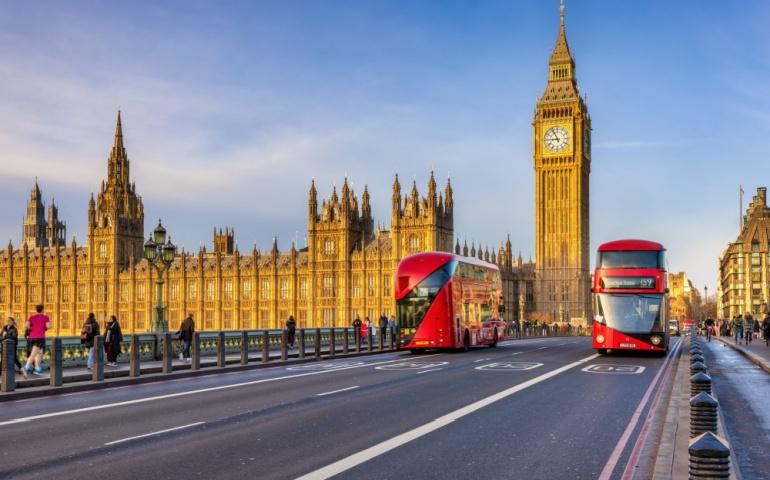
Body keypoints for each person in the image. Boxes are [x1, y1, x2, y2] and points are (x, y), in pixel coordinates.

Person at [23, 304, 50, 377]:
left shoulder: (32, 317)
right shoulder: (45, 317)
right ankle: (26, 368)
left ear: (36, 310)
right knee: (34, 354)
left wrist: (32, 328)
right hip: (40, 337)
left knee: (39, 353)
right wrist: (44, 327)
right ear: (43, 309)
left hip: (32, 337)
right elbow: (48, 326)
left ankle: (37, 369)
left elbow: (27, 325)